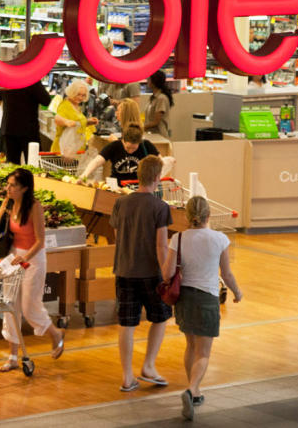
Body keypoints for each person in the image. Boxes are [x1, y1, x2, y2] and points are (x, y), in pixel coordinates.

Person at [0, 168, 65, 370]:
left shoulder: (35, 207)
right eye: (8, 184)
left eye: (13, 185)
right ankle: (12, 357)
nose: (8, 188)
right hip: (12, 257)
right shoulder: (8, 203)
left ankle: (55, 333)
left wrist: (25, 257)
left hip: (33, 259)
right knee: (10, 305)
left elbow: (40, 241)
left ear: (25, 188)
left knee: (30, 306)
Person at [161, 196, 243, 421]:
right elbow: (226, 274)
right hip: (207, 298)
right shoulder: (220, 239)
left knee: (190, 345)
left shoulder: (177, 239)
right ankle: (191, 389)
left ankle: (194, 392)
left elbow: (167, 274)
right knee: (203, 352)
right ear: (209, 215)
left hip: (184, 298)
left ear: (187, 217)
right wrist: (237, 292)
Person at [110, 155, 172, 392]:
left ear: (137, 176)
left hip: (124, 269)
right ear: (158, 178)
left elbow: (117, 236)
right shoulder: (160, 207)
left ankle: (127, 377)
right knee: (160, 317)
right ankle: (148, 365)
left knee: (126, 323)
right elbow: (161, 246)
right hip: (150, 272)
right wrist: (166, 273)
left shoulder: (121, 203)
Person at [79, 124, 160, 185]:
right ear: (122, 140)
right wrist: (84, 175)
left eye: (134, 148)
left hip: (139, 186)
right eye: (128, 148)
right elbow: (97, 161)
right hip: (117, 186)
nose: (130, 151)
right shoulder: (115, 146)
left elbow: (161, 161)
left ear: (139, 143)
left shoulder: (146, 145)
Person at [0, 84, 52, 164]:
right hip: (28, 128)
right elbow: (46, 100)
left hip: (8, 127)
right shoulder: (31, 81)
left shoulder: (4, 79)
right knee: (33, 164)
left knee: (12, 165)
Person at [52, 80, 98, 155]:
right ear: (72, 92)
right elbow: (57, 118)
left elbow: (76, 123)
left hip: (75, 151)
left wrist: (88, 122)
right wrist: (66, 122)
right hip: (63, 151)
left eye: (83, 95)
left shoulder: (76, 106)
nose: (80, 98)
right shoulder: (65, 105)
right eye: (78, 94)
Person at [144, 70, 172, 138]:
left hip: (159, 135)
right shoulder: (153, 98)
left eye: (149, 79)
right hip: (151, 134)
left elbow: (156, 121)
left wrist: (142, 127)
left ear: (154, 82)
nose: (147, 80)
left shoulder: (161, 98)